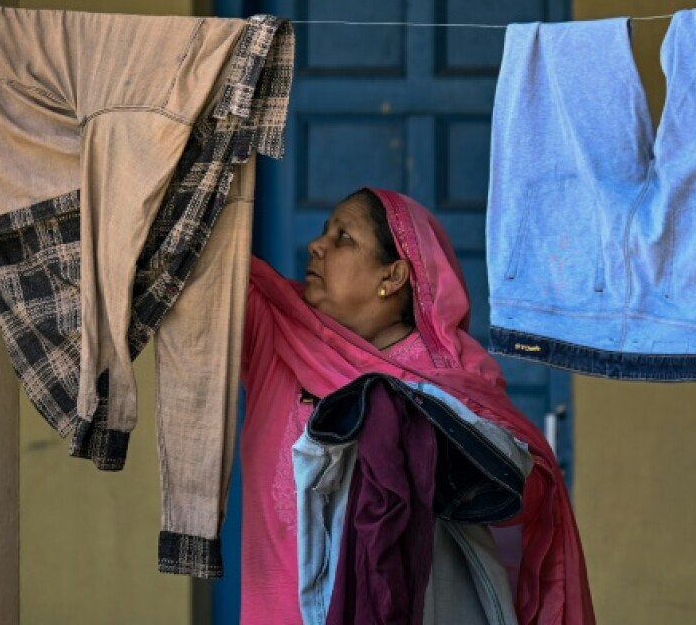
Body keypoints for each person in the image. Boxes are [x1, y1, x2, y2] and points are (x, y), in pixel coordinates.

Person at [239, 188, 596, 624]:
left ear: (393, 275)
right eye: (323, 233)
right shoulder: (277, 333)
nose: (317, 245)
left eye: (343, 237)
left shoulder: (451, 374)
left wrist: (423, 438)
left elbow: (525, 493)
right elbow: (206, 267)